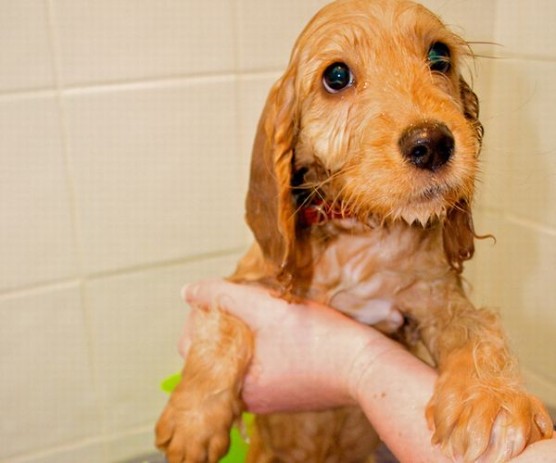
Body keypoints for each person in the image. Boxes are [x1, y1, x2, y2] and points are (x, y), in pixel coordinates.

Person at [180, 279, 556, 463]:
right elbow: (231, 306)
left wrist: (359, 362)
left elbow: (455, 319)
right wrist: (208, 382)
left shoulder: (415, 264)